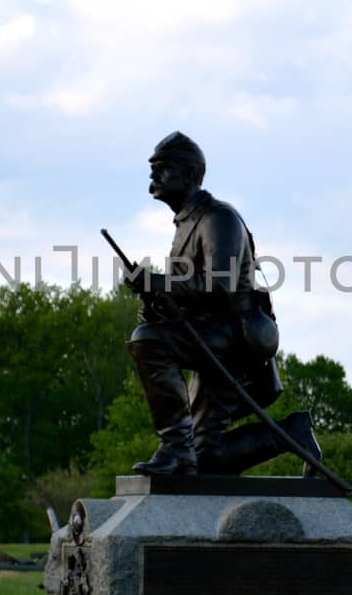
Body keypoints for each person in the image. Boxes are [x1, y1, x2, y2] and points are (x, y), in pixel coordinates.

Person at [124, 131, 321, 476]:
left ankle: (175, 448)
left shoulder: (219, 218)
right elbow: (184, 297)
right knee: (208, 460)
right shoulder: (185, 224)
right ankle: (293, 434)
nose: (153, 175)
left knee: (148, 339)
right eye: (152, 168)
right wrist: (153, 300)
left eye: (163, 168)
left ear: (189, 174)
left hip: (232, 341)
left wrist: (157, 282)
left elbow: (220, 285)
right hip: (208, 337)